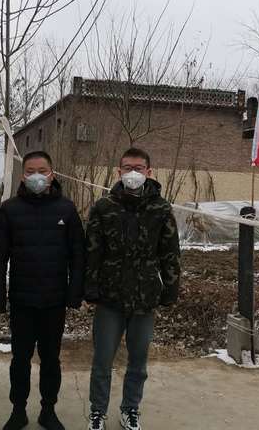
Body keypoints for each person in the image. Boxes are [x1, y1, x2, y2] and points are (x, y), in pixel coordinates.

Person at [84, 147, 181, 430]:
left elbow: (170, 252)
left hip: (144, 297)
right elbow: (92, 251)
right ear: (119, 171)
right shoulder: (104, 207)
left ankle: (130, 409)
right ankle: (98, 412)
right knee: (102, 361)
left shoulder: (161, 209)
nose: (133, 173)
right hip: (109, 297)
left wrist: (170, 288)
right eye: (127, 168)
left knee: (138, 362)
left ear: (149, 172)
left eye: (139, 168)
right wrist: (89, 287)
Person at [0, 150, 85, 430]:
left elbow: (78, 255)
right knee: (20, 360)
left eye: (42, 171)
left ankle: (48, 410)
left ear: (52, 174)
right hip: (22, 301)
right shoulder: (9, 209)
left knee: (51, 360)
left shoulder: (66, 209)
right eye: (30, 171)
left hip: (54, 301)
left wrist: (74, 294)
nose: (36, 176)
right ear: (23, 176)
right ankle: (18, 410)